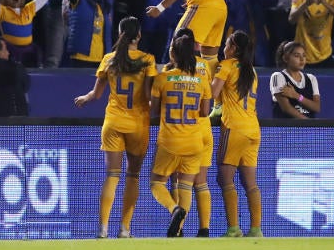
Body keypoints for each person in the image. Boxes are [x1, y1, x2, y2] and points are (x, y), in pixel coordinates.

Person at [74, 17, 158, 239]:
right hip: (137, 124)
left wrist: (84, 97)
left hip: (112, 122)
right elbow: (149, 96)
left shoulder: (109, 59)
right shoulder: (148, 60)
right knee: (133, 175)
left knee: (112, 175)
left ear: (119, 33)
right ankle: (124, 229)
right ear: (138, 35)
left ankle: (102, 229)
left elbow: (96, 94)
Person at [149, 33, 212, 237]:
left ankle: (173, 209)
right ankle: (179, 231)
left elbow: (155, 111)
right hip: (194, 141)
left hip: (170, 141)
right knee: (186, 186)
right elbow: (204, 112)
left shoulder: (162, 78)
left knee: (157, 183)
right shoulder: (201, 80)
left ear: (174, 54)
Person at [211, 31, 262, 238]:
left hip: (234, 128)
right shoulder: (252, 71)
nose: (224, 48)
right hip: (253, 129)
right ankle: (256, 229)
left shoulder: (227, 65)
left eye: (227, 45)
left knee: (224, 179)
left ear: (234, 49)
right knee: (250, 183)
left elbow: (212, 93)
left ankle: (233, 228)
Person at [269, 40, 321, 119]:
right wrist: (310, 124)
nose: (302, 59)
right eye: (297, 55)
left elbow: (316, 107)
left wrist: (296, 96)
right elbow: (286, 108)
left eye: (304, 55)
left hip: (308, 129)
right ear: (285, 58)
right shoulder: (277, 76)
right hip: (285, 129)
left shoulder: (311, 78)